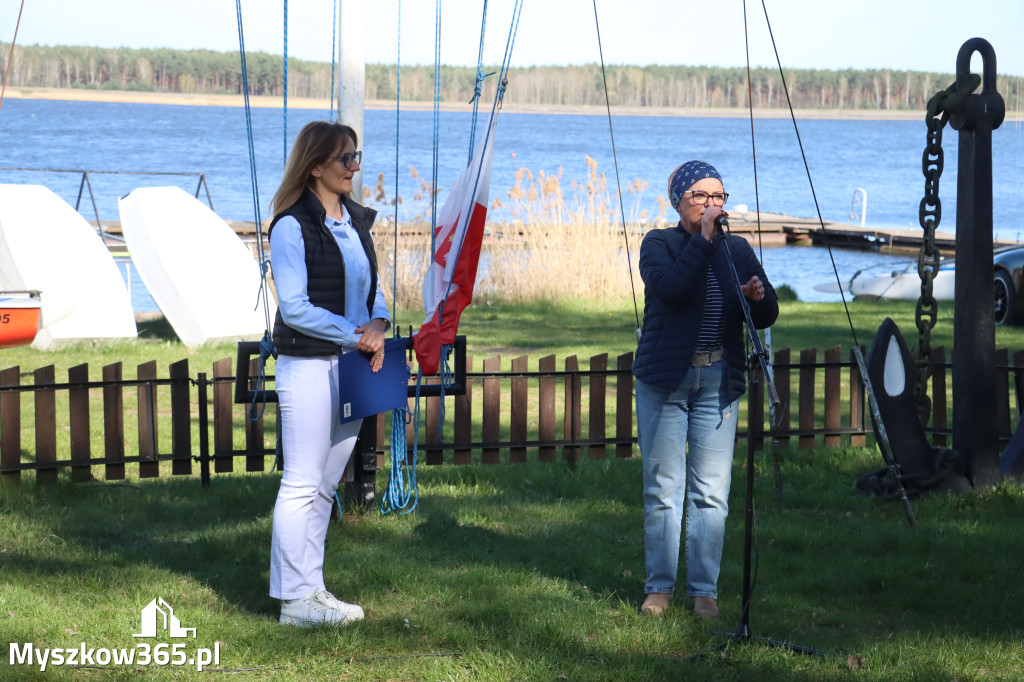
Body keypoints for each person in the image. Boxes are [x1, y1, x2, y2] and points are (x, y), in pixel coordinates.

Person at [633, 160, 778, 619]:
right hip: (665, 381)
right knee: (663, 489)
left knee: (711, 492)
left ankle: (704, 593)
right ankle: (659, 588)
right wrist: (705, 242)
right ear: (678, 201)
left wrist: (755, 297)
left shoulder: (737, 249)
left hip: (718, 378)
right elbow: (673, 290)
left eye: (718, 196)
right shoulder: (659, 244)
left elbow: (768, 312)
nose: (711, 204)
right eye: (700, 196)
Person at [267, 120, 391, 627]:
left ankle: (311, 590)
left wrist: (379, 323)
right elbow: (294, 308)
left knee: (324, 484)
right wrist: (355, 333)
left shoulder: (355, 223)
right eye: (345, 159)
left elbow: (372, 292)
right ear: (315, 166)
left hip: (354, 367)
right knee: (300, 481)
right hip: (309, 368)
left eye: (356, 157)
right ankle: (294, 601)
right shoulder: (290, 226)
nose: (354, 167)